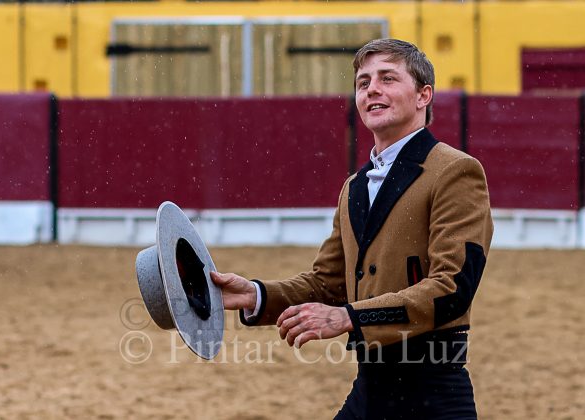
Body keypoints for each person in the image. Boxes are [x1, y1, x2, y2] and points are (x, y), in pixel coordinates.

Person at [210, 38, 493, 419]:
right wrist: (256, 295)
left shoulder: (455, 171)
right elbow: (327, 284)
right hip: (369, 391)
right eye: (363, 82)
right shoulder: (354, 187)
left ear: (423, 96)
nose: (372, 89)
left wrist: (350, 317)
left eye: (388, 78)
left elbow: (452, 289)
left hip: (433, 393)